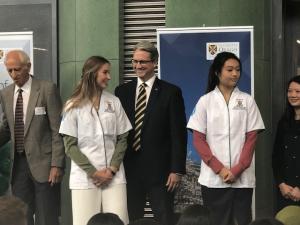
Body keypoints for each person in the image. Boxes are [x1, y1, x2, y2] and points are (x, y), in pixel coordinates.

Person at [187, 51, 265, 225]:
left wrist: (237, 169)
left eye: (237, 69)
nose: (235, 74)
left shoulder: (247, 101)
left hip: (242, 180)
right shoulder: (205, 101)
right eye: (229, 69)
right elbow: (198, 140)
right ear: (217, 72)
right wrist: (220, 169)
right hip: (214, 180)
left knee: (242, 221)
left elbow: (251, 138)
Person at [115, 41, 187, 225]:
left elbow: (178, 134)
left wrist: (176, 169)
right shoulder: (121, 92)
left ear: (154, 62)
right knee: (132, 219)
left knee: (164, 219)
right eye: (135, 61)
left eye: (143, 62)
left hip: (161, 173)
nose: (138, 66)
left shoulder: (171, 92)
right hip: (130, 169)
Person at [59, 56, 132, 225]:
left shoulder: (114, 102)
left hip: (114, 176)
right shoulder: (73, 105)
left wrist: (112, 170)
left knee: (120, 220)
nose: (109, 77)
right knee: (84, 222)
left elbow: (123, 138)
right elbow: (70, 146)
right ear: (92, 74)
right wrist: (93, 172)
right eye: (105, 72)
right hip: (85, 178)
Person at [0, 50, 65, 225]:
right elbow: (7, 129)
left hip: (44, 166)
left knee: (47, 218)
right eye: (9, 71)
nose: (13, 75)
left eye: (17, 70)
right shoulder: (5, 94)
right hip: (18, 166)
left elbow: (57, 130)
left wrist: (56, 164)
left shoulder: (46, 89)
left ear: (28, 67)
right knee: (22, 217)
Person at [272, 76, 300, 212]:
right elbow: (276, 156)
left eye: (298, 91)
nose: (293, 95)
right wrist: (281, 184)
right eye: (290, 91)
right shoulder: (283, 122)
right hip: (285, 191)